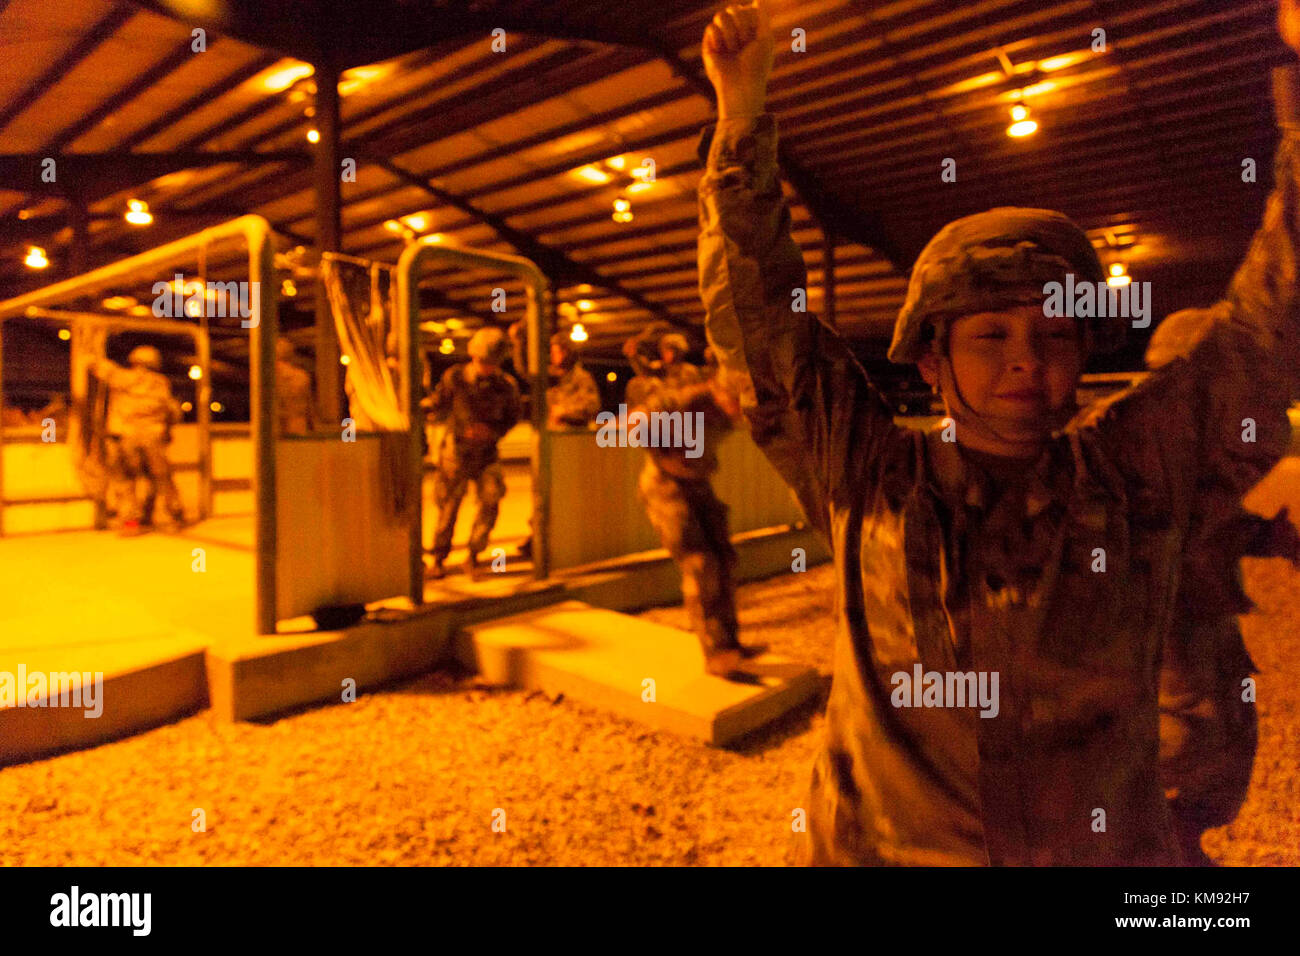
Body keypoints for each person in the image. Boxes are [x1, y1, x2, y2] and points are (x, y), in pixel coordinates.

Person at [698, 0, 1300, 864]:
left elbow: (1265, 329)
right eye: (990, 336)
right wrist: (741, 117)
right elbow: (759, 329)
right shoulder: (868, 474)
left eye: (1055, 335)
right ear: (932, 363)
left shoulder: (1137, 473)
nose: (1028, 360)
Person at [1145, 308, 1300, 865]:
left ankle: (1185, 844)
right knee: (1189, 731)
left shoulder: (1206, 455)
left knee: (1232, 732)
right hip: (1167, 633)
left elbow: (1213, 520)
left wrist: (1268, 536)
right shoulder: (1147, 457)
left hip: (1210, 628)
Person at [622, 328, 764, 677]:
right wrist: (663, 455)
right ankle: (716, 655)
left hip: (698, 485)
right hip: (665, 487)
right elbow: (632, 423)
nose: (741, 415)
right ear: (724, 392)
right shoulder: (687, 401)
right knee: (700, 566)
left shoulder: (730, 412)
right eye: (739, 404)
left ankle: (730, 643)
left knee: (725, 561)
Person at [425, 327, 521, 579]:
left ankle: (473, 555)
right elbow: (439, 404)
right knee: (448, 506)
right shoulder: (455, 377)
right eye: (482, 361)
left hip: (487, 454)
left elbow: (512, 418)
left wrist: (492, 432)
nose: (485, 367)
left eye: (491, 363)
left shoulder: (505, 386)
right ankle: (438, 557)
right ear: (473, 356)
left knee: (491, 499)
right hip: (455, 453)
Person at [507, 321, 602, 561]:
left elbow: (592, 406)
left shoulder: (581, 378)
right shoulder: (552, 377)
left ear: (568, 353)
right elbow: (527, 370)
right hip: (550, 445)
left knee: (564, 497)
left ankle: (559, 540)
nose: (554, 355)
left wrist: (564, 412)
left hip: (569, 446)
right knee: (542, 493)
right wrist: (519, 341)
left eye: (558, 350)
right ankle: (537, 536)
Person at [93, 345, 185, 536]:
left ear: (135, 361)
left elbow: (99, 368)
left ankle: (131, 523)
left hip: (128, 437)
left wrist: (90, 353)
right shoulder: (162, 383)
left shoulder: (124, 377)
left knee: (125, 479)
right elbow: (174, 413)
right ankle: (173, 517)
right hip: (154, 438)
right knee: (161, 479)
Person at [275, 336, 314, 435]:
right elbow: (309, 408)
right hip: (300, 426)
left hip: (279, 430)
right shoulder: (302, 376)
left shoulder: (271, 377)